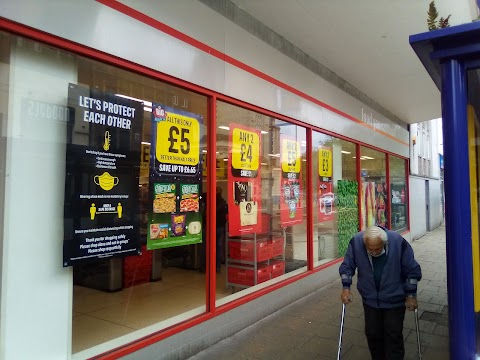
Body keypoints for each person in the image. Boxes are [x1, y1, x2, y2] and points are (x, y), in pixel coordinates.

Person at [339, 226, 422, 360]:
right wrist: (346, 288)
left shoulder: (398, 242)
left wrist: (411, 295)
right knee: (372, 334)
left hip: (394, 299)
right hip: (370, 300)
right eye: (370, 248)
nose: (374, 252)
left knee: (393, 335)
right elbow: (347, 266)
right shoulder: (356, 242)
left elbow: (412, 270)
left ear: (385, 243)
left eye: (377, 248)